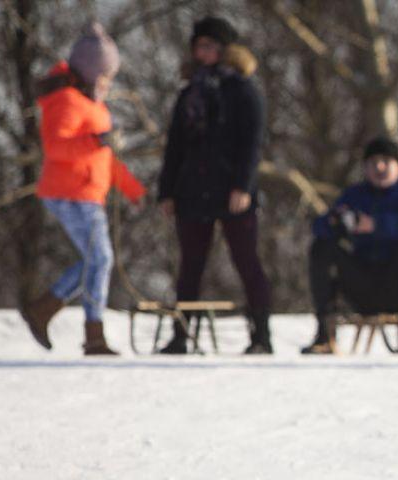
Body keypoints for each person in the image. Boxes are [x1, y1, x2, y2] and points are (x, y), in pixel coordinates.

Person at [21, 24, 145, 356]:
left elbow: (105, 160)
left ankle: (48, 310)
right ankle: (89, 332)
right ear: (91, 72)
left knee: (97, 260)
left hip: (87, 192)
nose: (108, 82)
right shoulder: (66, 100)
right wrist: (95, 141)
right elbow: (57, 147)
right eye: (105, 75)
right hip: (70, 192)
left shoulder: (92, 105)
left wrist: (133, 190)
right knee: (100, 259)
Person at [156, 17, 272, 355]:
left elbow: (252, 144)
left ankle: (261, 335)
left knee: (246, 260)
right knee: (190, 263)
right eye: (199, 46)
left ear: (226, 50)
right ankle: (181, 333)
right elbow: (175, 146)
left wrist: (243, 186)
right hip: (193, 188)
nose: (202, 52)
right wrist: (167, 191)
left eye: (210, 45)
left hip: (232, 189)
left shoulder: (244, 91)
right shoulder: (189, 93)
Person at [301, 137, 398, 355]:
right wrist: (336, 223)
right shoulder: (356, 195)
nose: (379, 167)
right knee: (323, 245)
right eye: (373, 162)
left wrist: (376, 225)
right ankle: (325, 332)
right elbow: (319, 226)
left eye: (385, 161)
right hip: (364, 283)